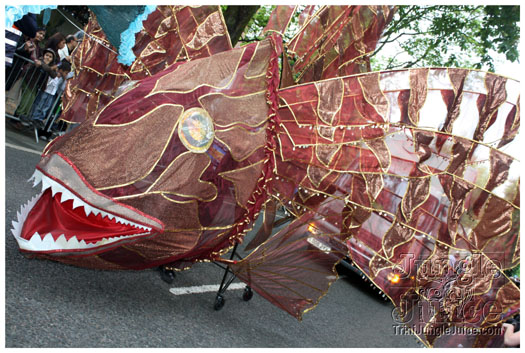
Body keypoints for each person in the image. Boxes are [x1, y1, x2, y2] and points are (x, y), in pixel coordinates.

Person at [16, 48, 58, 120]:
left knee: (31, 100)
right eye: (47, 55)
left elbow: (53, 75)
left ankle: (23, 116)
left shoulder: (49, 65)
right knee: (26, 99)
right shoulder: (40, 60)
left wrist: (47, 67)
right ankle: (18, 115)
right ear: (44, 55)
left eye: (50, 57)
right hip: (29, 81)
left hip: (35, 85)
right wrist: (47, 66)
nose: (48, 57)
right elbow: (44, 66)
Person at [30, 60, 71, 131]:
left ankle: (40, 118)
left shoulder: (62, 79)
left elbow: (61, 87)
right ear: (61, 70)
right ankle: (35, 117)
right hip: (45, 91)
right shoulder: (53, 73)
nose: (66, 74)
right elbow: (50, 77)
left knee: (47, 106)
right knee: (40, 104)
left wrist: (64, 79)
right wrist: (56, 73)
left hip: (52, 93)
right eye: (66, 73)